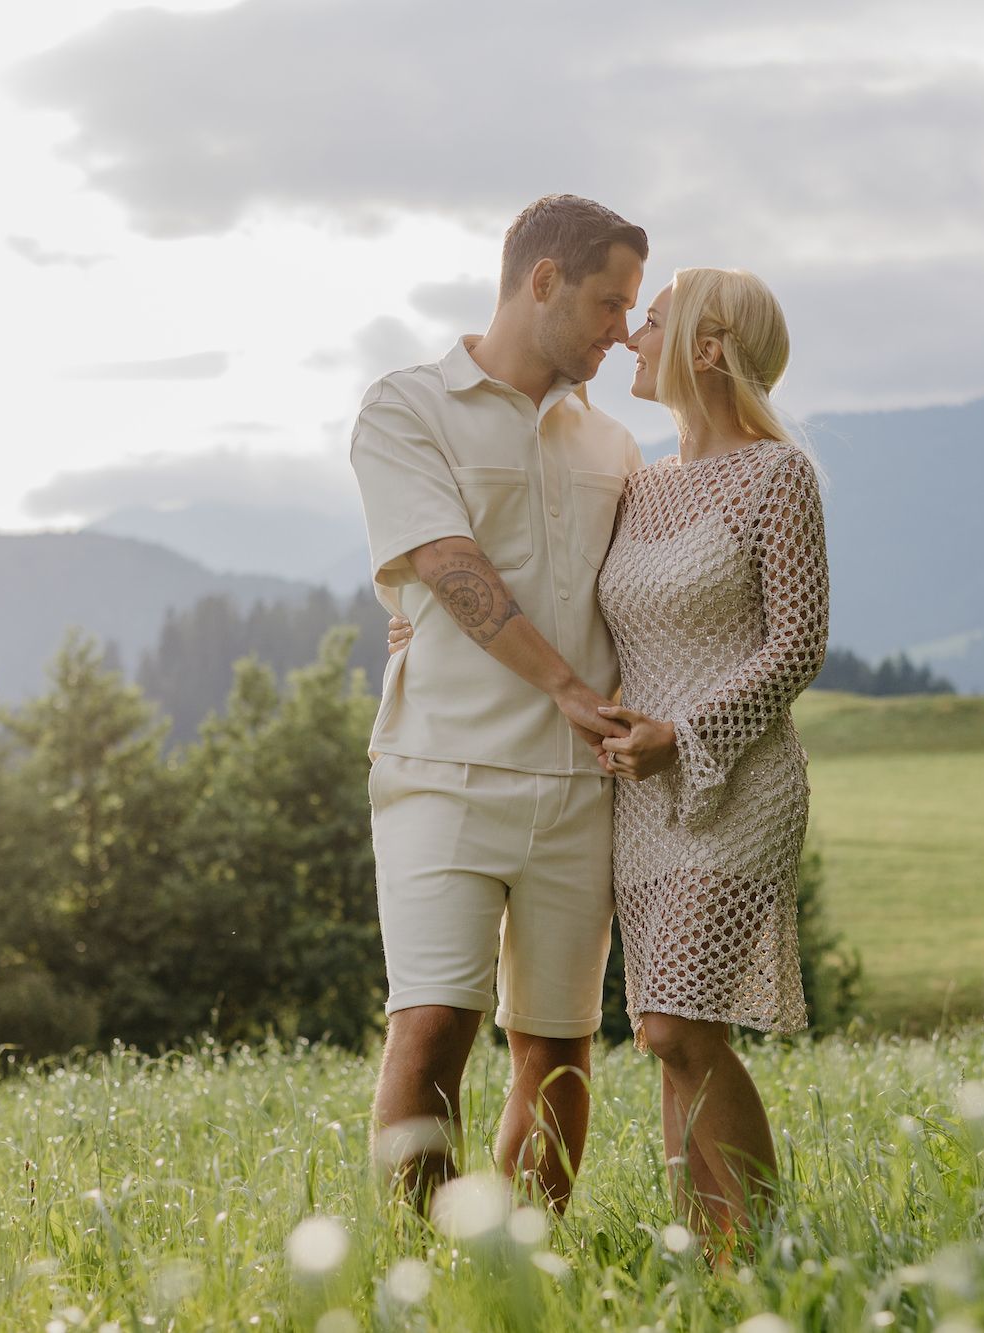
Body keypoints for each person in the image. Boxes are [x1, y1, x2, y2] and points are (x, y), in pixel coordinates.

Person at [392, 267, 831, 1246]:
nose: (632, 334)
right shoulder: (641, 482)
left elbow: (796, 644)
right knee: (666, 1036)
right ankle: (713, 1259)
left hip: (735, 779)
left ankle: (760, 1250)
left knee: (679, 1027)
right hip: (637, 792)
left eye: (655, 321)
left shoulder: (777, 474)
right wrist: (411, 622)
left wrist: (687, 731)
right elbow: (554, 583)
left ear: (707, 350)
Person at [348, 193, 646, 1214]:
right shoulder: (406, 406)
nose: (621, 329)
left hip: (578, 786)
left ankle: (516, 1279)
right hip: (441, 769)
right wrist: (563, 683)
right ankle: (416, 1275)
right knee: (431, 1024)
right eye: (608, 303)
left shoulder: (611, 444)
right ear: (542, 280)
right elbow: (445, 560)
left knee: (557, 1049)